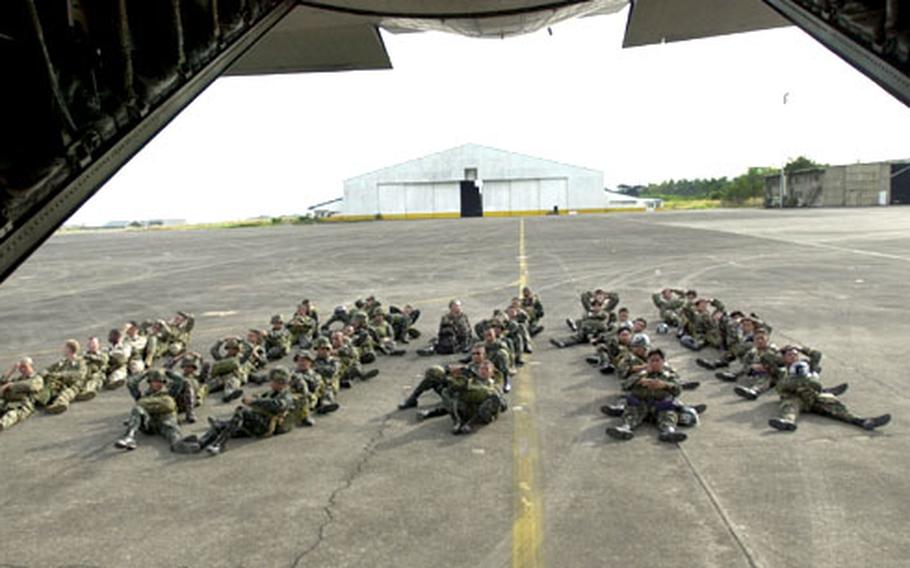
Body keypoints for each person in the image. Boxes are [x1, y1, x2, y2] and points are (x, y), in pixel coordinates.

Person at [768, 346, 890, 432]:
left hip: (813, 397)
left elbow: (817, 355)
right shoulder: (782, 370)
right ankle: (787, 422)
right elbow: (769, 363)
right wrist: (780, 351)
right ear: (784, 358)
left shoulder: (805, 365)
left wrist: (800, 348)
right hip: (794, 397)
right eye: (790, 355)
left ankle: (862, 421)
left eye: (795, 354)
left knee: (834, 405)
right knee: (790, 406)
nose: (794, 357)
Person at [193, 367, 296, 456]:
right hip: (255, 423)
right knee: (219, 427)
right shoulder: (271, 393)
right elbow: (261, 398)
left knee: (242, 412)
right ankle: (201, 443)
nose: (271, 383)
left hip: (265, 426)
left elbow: (278, 405)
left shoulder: (286, 396)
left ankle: (219, 444)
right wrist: (253, 399)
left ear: (282, 382)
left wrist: (254, 401)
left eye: (274, 381)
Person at [606, 348, 688, 443]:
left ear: (663, 362)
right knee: (631, 411)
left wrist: (664, 385)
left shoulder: (669, 375)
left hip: (660, 406)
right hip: (641, 405)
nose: (654, 363)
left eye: (657, 360)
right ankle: (625, 428)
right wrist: (639, 381)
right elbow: (624, 385)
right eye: (652, 361)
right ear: (648, 362)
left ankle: (668, 431)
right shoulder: (641, 374)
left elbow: (678, 389)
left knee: (668, 413)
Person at [115, 369, 199, 453]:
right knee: (137, 409)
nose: (157, 384)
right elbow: (131, 383)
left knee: (171, 428)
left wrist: (167, 372)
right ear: (150, 382)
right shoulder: (143, 396)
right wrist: (145, 373)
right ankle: (129, 437)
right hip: (148, 424)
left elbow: (180, 380)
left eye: (160, 382)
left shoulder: (170, 393)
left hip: (165, 422)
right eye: (154, 381)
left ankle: (177, 444)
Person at [39, 339, 88, 414]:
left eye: (65, 348)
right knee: (49, 388)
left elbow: (80, 374)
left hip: (75, 384)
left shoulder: (80, 361)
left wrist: (61, 374)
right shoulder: (64, 362)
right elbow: (50, 368)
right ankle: (45, 400)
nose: (63, 350)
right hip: (62, 383)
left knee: (66, 393)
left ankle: (60, 404)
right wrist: (44, 373)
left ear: (69, 350)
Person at [0, 357, 44, 432]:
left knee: (11, 416)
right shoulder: (19, 379)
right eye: (20, 367)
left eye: (25, 367)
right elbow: (2, 382)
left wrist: (10, 385)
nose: (22, 369)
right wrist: (12, 370)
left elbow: (30, 386)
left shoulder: (37, 378)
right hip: (8, 402)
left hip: (22, 405)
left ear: (31, 366)